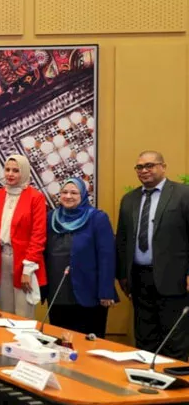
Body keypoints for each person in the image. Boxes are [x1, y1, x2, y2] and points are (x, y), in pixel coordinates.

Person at [116, 151, 189, 360]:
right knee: (145, 339)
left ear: (163, 167)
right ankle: (147, 378)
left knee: (174, 339)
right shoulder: (129, 199)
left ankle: (174, 379)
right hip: (140, 280)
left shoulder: (183, 194)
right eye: (139, 167)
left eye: (150, 165)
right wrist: (123, 275)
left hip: (175, 280)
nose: (144, 170)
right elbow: (122, 240)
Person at [45, 177, 117, 338]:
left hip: (89, 291)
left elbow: (107, 257)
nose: (68, 196)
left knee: (89, 342)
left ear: (83, 195)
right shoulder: (51, 218)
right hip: (58, 291)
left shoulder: (97, 218)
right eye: (64, 192)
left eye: (74, 193)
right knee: (60, 341)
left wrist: (106, 291)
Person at [0, 154, 47, 318]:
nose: (10, 174)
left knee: (23, 315)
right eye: (7, 170)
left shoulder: (35, 197)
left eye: (15, 170)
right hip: (0, 260)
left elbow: (38, 236)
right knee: (5, 314)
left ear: (24, 172)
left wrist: (28, 269)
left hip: (24, 262)